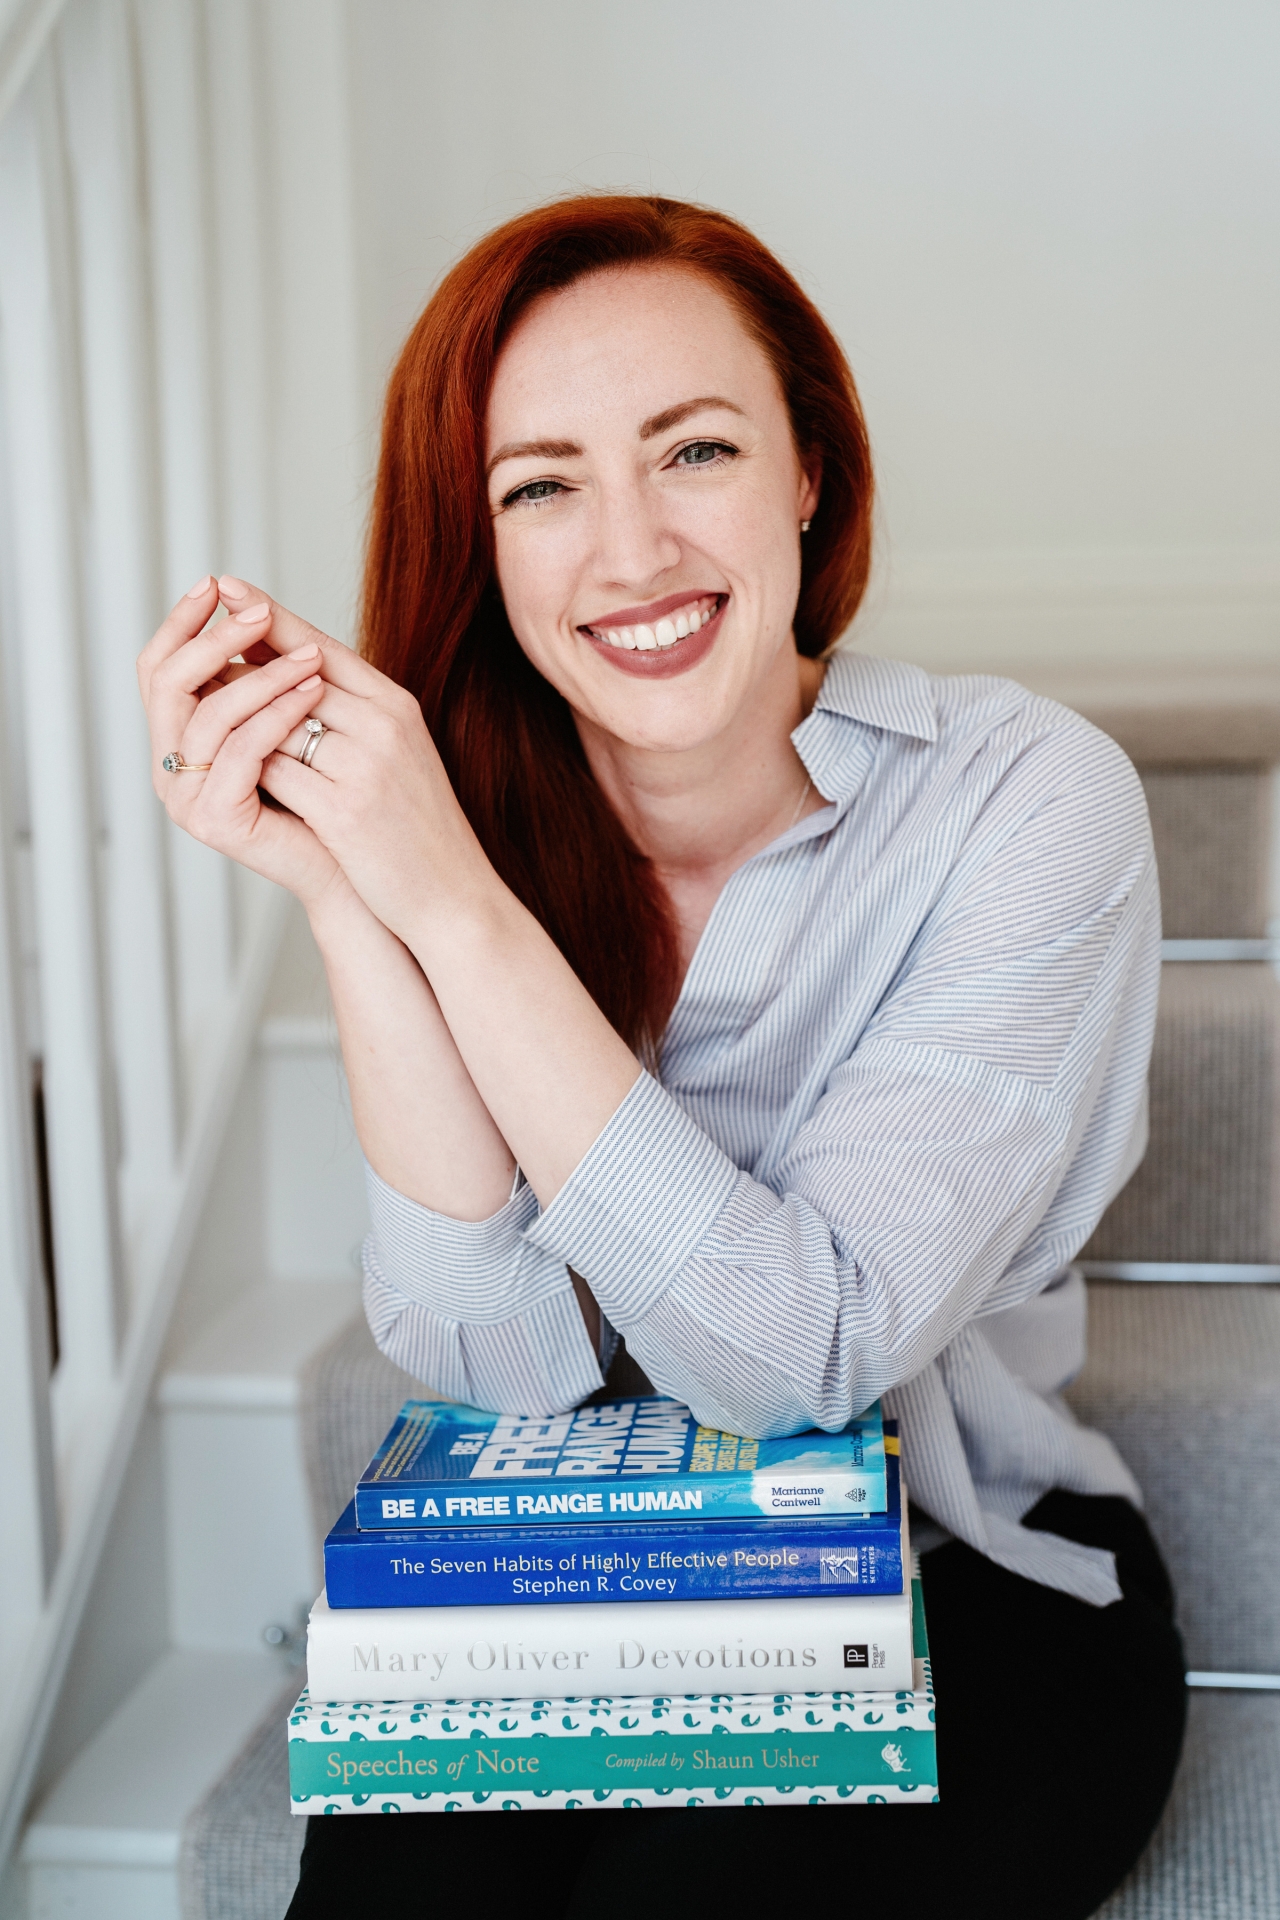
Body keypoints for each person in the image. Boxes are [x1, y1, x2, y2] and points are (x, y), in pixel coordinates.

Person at [138, 194, 1185, 1918]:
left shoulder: (1025, 799)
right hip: (579, 1575)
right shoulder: (454, 832)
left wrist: (455, 915)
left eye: (692, 450)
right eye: (540, 484)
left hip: (962, 1580)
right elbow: (500, 1364)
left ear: (808, 474)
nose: (628, 554)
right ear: (479, 547)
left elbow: (806, 1353)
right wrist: (346, 895)